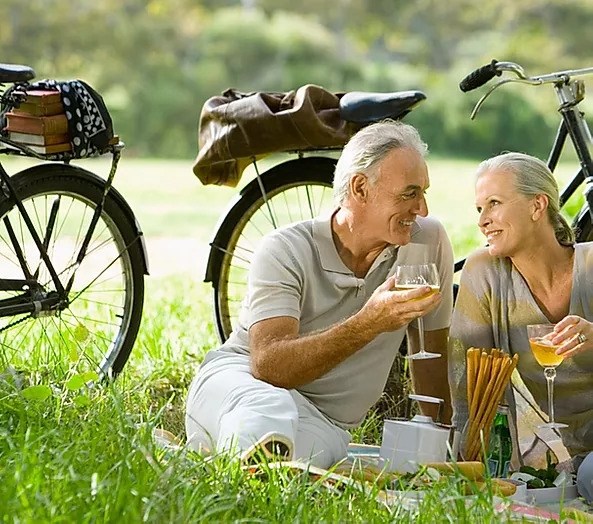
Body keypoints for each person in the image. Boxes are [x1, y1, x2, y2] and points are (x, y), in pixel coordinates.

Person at [186, 120, 454, 468]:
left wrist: (445, 443)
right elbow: (269, 367)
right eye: (409, 193)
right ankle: (230, 461)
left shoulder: (426, 241)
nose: (422, 209)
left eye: (423, 193)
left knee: (301, 460)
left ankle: (212, 460)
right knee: (269, 410)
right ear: (360, 188)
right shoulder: (285, 249)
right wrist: (368, 323)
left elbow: (431, 353)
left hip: (325, 421)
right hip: (241, 384)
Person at [448, 152, 593, 502]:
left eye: (494, 204)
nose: (483, 221)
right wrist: (465, 463)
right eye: (479, 209)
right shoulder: (485, 272)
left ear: (537, 206)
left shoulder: (590, 266)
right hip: (537, 461)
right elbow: (465, 384)